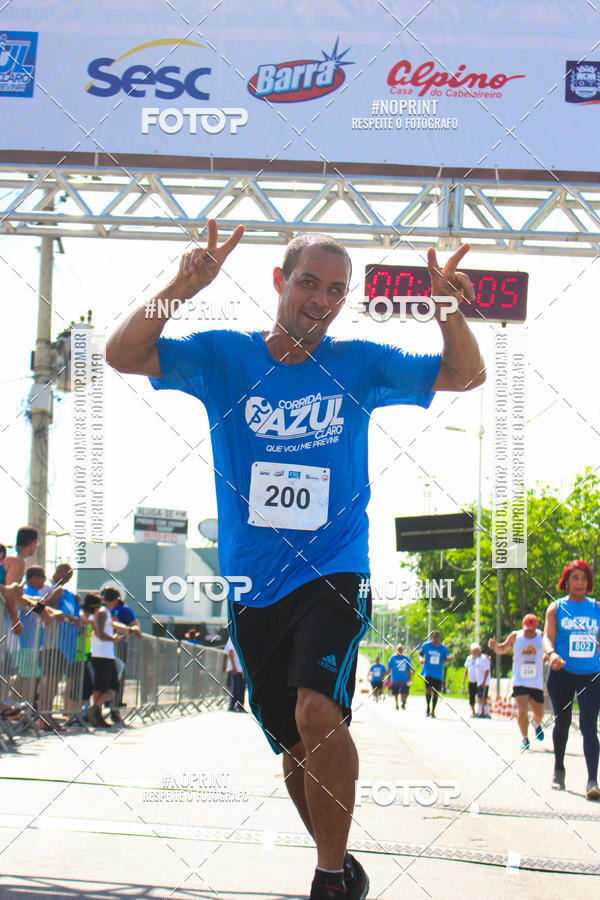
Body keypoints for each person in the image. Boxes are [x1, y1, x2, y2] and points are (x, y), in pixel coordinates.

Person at [106, 219, 485, 899]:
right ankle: (339, 861)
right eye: (308, 281)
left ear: (344, 301)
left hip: (335, 569)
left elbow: (466, 373)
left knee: (318, 713)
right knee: (293, 743)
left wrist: (446, 307)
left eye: (336, 290)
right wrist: (180, 289)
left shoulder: (361, 363)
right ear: (280, 282)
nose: (320, 298)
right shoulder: (224, 357)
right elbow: (122, 353)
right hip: (254, 584)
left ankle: (328, 879)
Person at [543, 560, 600, 800]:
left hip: (591, 674)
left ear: (589, 583)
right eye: (575, 578)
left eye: (583, 578)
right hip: (562, 673)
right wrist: (552, 654)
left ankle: (592, 780)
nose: (579, 583)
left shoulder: (596, 607)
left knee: (588, 725)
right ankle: (559, 768)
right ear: (566, 581)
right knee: (562, 722)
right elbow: (547, 637)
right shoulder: (556, 608)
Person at [489, 614, 545, 750]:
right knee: (522, 710)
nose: (529, 632)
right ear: (522, 626)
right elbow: (502, 649)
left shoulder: (542, 636)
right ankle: (525, 738)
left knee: (540, 713)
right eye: (527, 629)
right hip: (519, 680)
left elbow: (549, 649)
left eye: (531, 629)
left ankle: (536, 723)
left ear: (536, 627)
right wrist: (494, 646)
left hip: (536, 681)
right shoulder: (516, 636)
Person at [89, 591, 123, 728]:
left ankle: (96, 710)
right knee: (104, 686)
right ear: (115, 600)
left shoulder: (106, 613)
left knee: (109, 686)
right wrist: (113, 638)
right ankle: (96, 711)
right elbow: (99, 634)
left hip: (106, 654)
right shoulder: (102, 612)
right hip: (101, 653)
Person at [419, 631, 450, 719]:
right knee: (428, 690)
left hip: (438, 674)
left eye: (437, 637)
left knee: (435, 693)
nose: (435, 639)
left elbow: (447, 656)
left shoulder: (443, 648)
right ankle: (428, 707)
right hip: (428, 672)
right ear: (432, 637)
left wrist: (448, 659)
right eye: (434, 637)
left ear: (439, 638)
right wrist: (421, 659)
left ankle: (433, 710)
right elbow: (421, 654)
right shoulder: (426, 645)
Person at [386, 644, 412, 710]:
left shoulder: (406, 658)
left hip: (404, 679)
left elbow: (409, 669)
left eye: (401, 649)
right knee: (395, 692)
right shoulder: (393, 658)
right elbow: (389, 668)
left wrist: (409, 677)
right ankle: (397, 704)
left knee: (405, 692)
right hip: (395, 679)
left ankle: (403, 702)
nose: (400, 651)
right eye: (398, 649)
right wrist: (388, 677)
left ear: (403, 650)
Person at [224, 636, 246, 712]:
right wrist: (233, 666)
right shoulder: (232, 639)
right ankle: (231, 705)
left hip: (241, 668)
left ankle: (240, 706)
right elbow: (230, 652)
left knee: (242, 687)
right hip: (235, 668)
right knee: (235, 687)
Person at [462, 643, 480, 717]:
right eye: (473, 651)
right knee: (471, 697)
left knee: (479, 696)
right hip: (471, 680)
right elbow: (467, 669)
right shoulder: (469, 658)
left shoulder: (480, 658)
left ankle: (480, 711)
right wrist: (464, 678)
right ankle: (473, 711)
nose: (474, 652)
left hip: (478, 681)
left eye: (476, 651)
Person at [475, 650, 491, 718]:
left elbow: (487, 671)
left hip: (483, 682)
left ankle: (487, 713)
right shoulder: (477, 659)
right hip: (479, 682)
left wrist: (484, 682)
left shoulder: (484, 659)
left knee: (484, 698)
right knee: (480, 698)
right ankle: (480, 712)